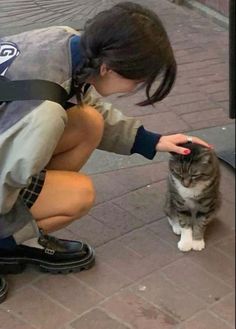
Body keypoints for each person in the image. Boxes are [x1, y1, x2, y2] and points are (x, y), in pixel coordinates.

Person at [0, 1, 211, 290]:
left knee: (89, 121)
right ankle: (6, 245)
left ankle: (20, 223)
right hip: (7, 158)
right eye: (137, 81)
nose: (135, 89)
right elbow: (4, 176)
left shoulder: (65, 41)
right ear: (108, 67)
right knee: (77, 194)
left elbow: (88, 102)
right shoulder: (43, 110)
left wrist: (152, 141)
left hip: (10, 136)